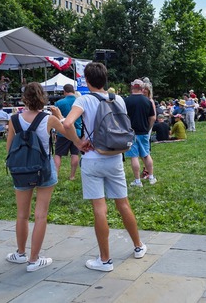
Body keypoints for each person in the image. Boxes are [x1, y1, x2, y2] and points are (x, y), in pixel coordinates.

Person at [62, 62, 147, 272]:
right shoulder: (117, 98)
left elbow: (66, 123)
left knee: (100, 208)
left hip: (92, 158)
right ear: (105, 79)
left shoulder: (84, 99)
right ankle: (138, 246)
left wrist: (78, 142)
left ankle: (105, 259)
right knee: (123, 204)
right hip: (115, 156)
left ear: (86, 80)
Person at [5, 82, 67, 272]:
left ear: (24, 98)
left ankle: (20, 253)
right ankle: (34, 260)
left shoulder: (14, 119)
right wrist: (61, 117)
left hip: (21, 169)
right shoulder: (48, 119)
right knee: (41, 215)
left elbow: (9, 149)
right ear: (43, 98)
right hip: (44, 168)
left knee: (22, 214)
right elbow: (69, 133)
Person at [125, 79, 157, 187]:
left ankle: (137, 181)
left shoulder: (126, 101)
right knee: (146, 154)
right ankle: (151, 177)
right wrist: (148, 128)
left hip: (131, 132)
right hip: (143, 132)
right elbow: (152, 117)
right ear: (142, 88)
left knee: (134, 156)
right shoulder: (147, 101)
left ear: (132, 87)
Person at [54, 84, 82, 180]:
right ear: (73, 91)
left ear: (64, 91)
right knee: (74, 154)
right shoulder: (79, 102)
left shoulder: (59, 103)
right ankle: (72, 176)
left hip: (63, 132)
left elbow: (55, 118)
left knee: (58, 154)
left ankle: (56, 175)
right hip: (77, 132)